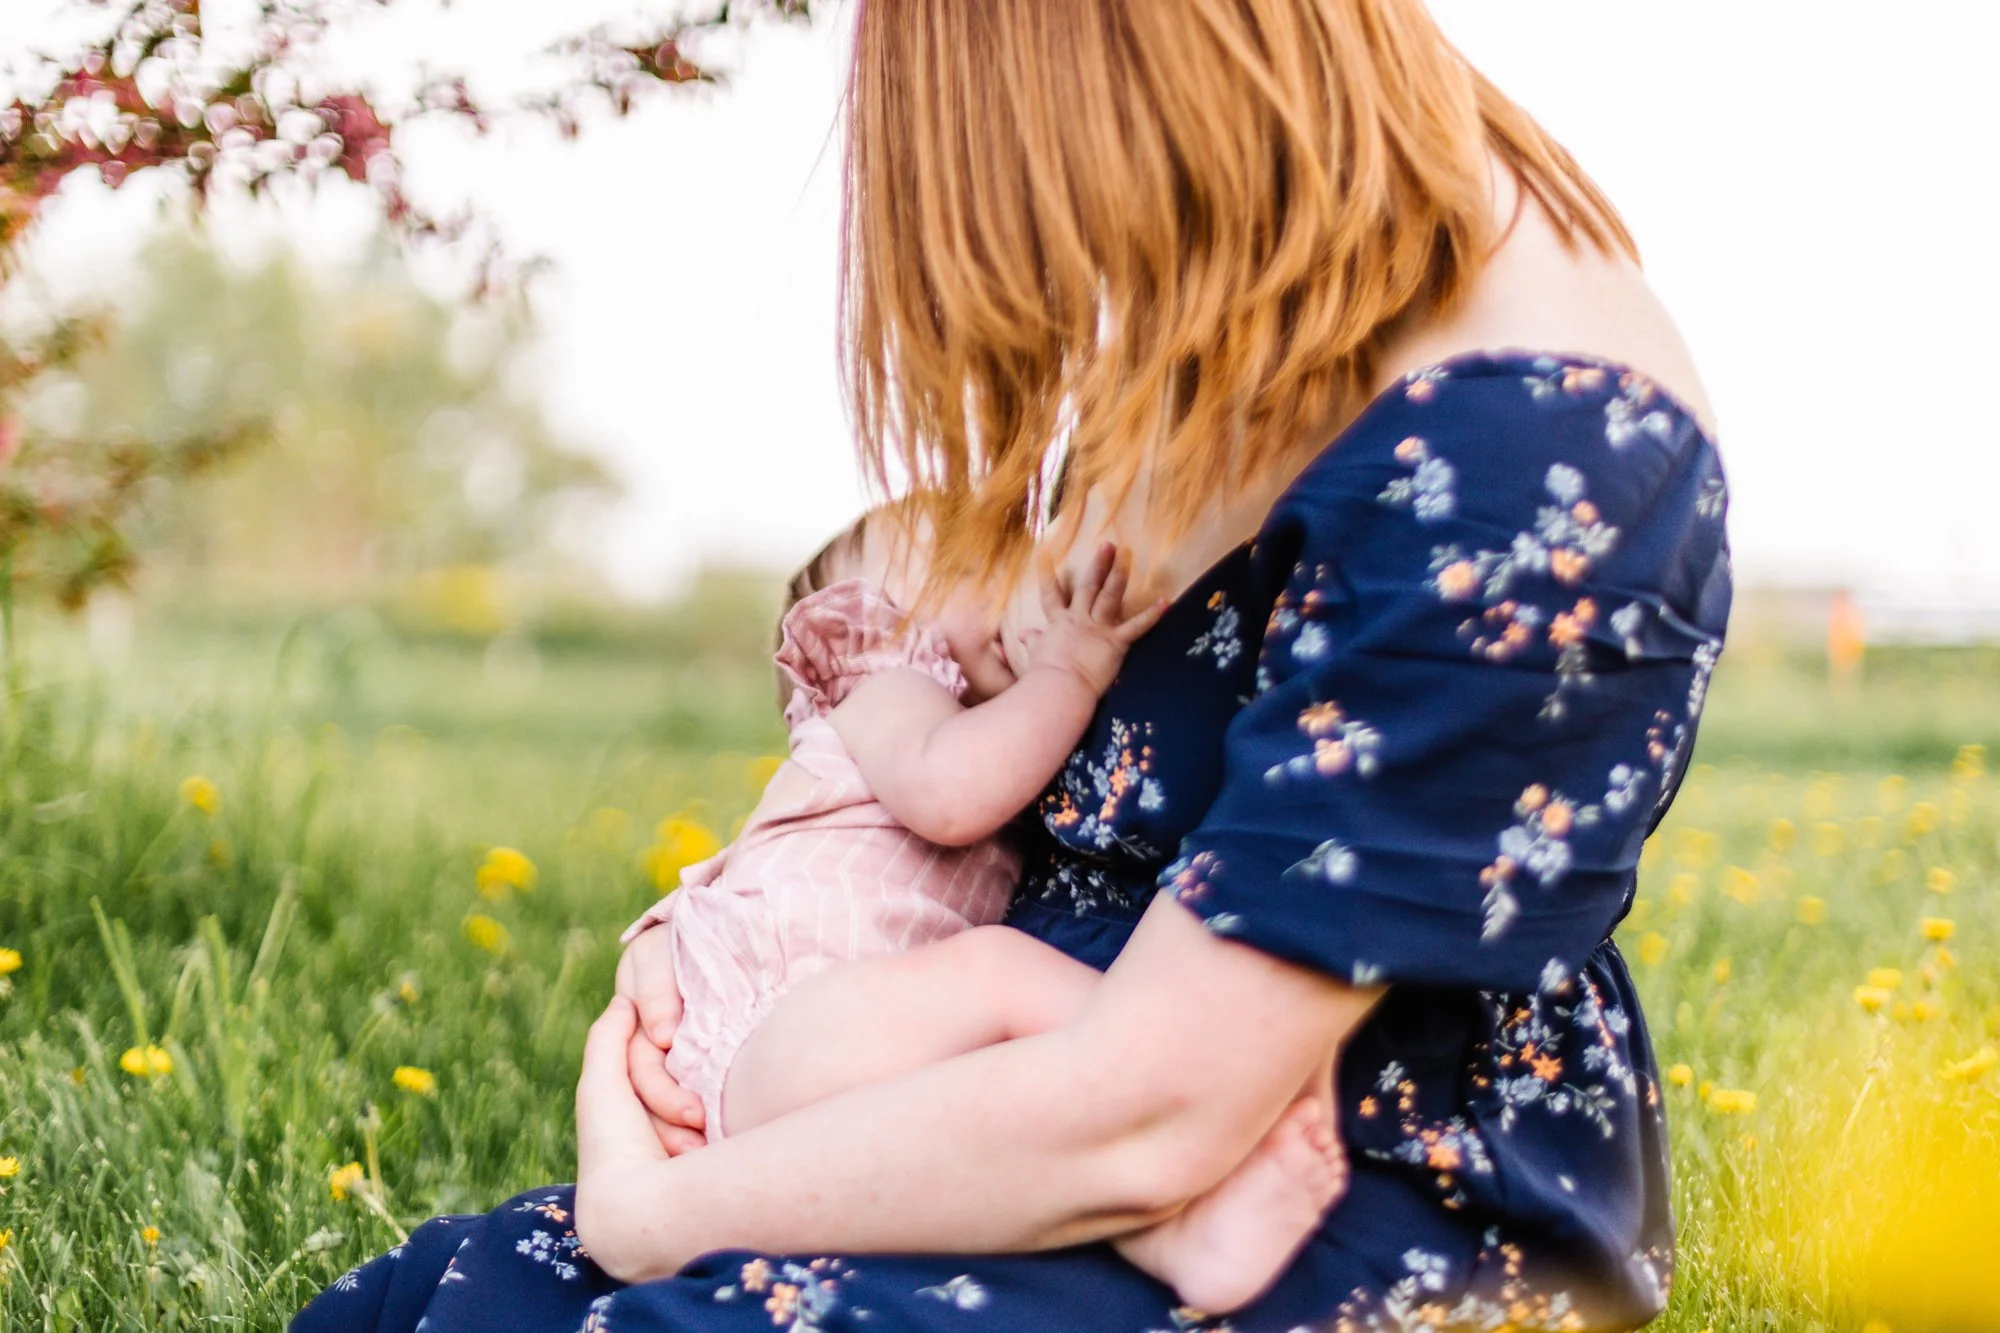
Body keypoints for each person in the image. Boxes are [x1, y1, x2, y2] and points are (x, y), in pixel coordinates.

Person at [295, 1, 1731, 1329]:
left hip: (1316, 1197)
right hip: (1001, 1115)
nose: (1075, 296)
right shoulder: (1232, 322)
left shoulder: (1522, 456)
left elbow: (1154, 1113)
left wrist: (662, 1211)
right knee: (410, 1307)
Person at [623, 508, 1336, 1311]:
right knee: (997, 969)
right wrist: (1069, 670)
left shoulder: (985, 734)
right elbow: (950, 797)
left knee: (1022, 1138)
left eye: (1007, 561)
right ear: (869, 626)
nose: (1007, 593)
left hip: (833, 1051)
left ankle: (1176, 1233)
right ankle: (1204, 1070)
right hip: (784, 1028)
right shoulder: (888, 691)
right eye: (963, 572)